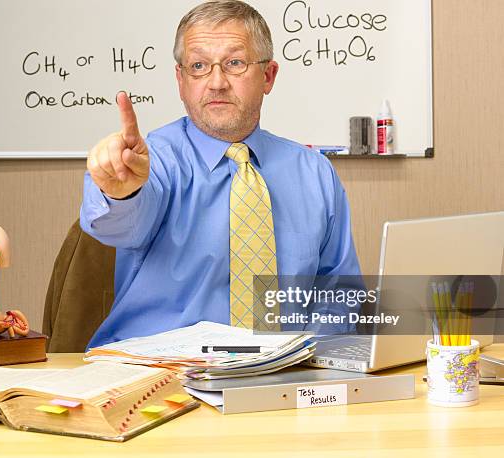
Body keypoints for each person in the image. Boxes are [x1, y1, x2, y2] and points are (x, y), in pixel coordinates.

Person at [80, 0, 361, 348]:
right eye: (198, 66)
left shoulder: (314, 173)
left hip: (280, 377)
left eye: (234, 63)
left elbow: (340, 300)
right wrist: (121, 193)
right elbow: (117, 225)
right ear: (180, 79)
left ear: (268, 76)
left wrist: (309, 360)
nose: (216, 82)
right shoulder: (154, 161)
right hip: (161, 376)